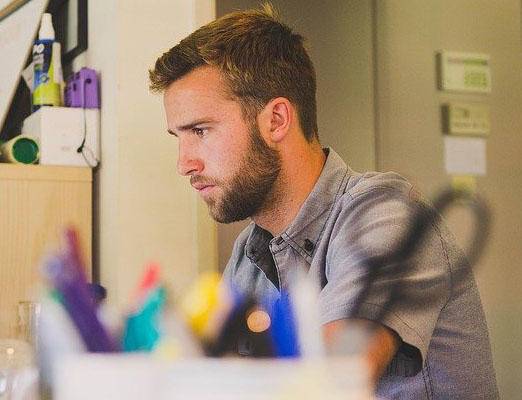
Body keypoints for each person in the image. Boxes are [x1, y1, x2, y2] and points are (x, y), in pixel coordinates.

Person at [149, 4, 498, 398]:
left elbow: (333, 381)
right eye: (178, 137)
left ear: (277, 120)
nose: (184, 163)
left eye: (200, 130)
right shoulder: (249, 255)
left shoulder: (386, 213)